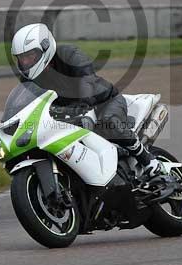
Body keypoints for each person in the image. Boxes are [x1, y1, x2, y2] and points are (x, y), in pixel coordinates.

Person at [11, 23, 165, 180]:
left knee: (109, 123)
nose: (26, 62)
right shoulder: (29, 79)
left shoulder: (69, 55)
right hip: (68, 114)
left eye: (30, 56)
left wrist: (82, 105)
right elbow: (27, 102)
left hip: (103, 102)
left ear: (45, 47)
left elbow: (87, 80)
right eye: (22, 59)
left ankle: (148, 161)